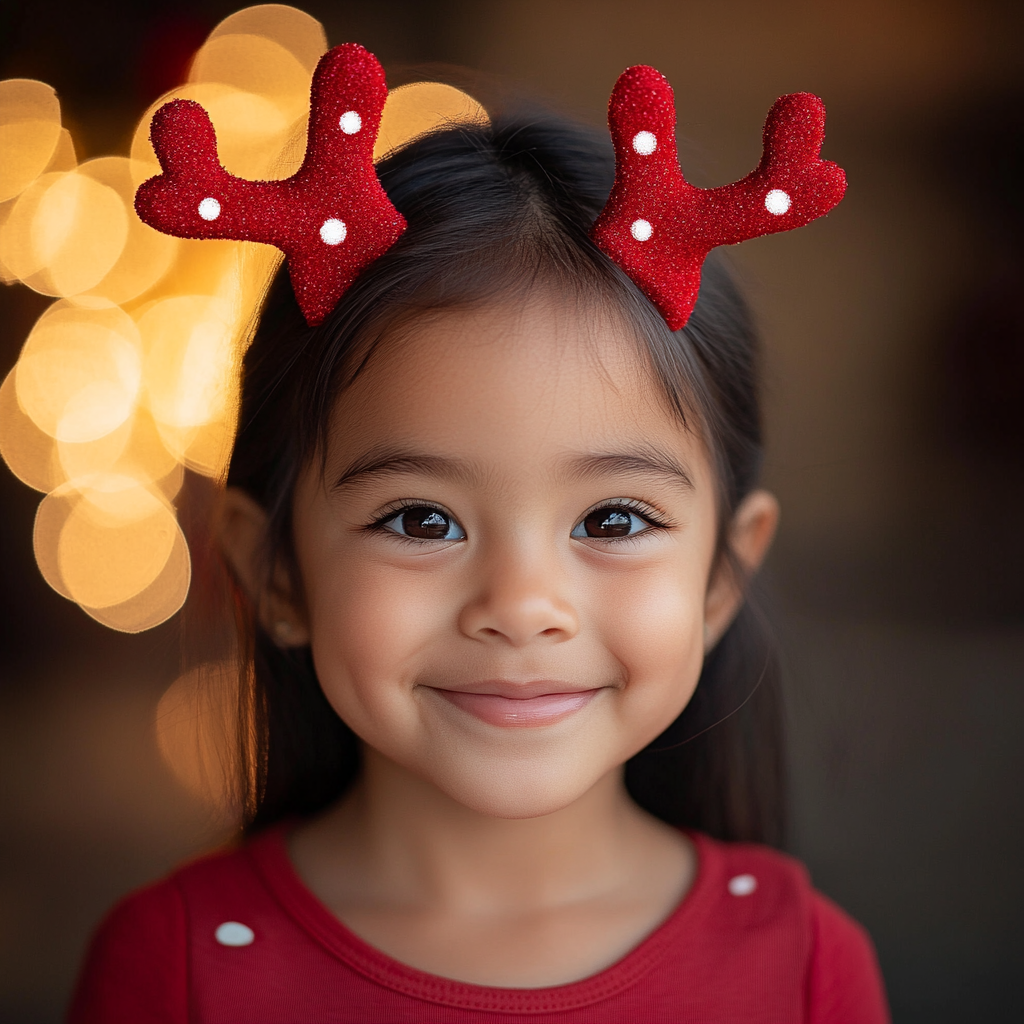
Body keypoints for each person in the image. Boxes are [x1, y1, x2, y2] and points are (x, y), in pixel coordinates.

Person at [67, 68, 889, 1023]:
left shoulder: (804, 967)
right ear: (274, 571)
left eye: (613, 520)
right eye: (421, 519)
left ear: (724, 572)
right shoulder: (175, 970)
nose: (520, 604)